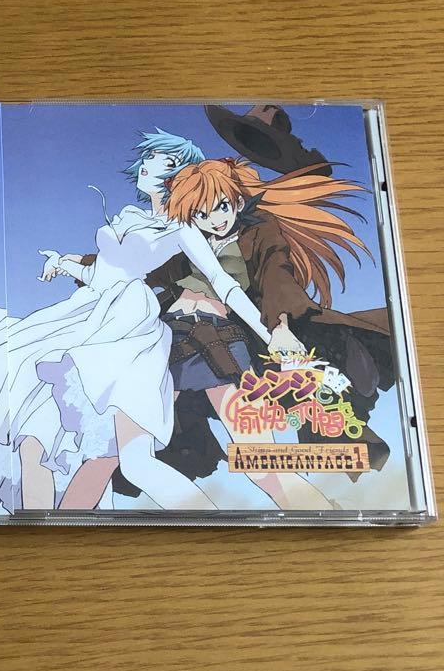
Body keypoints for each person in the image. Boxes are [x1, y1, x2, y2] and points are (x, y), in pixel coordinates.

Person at [0, 130, 278, 513]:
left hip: (126, 324)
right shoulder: (132, 216)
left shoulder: (181, 228)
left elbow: (222, 282)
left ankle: (211, 522)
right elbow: (100, 274)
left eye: (165, 161)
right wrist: (62, 264)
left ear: (178, 176)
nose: (149, 165)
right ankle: (41, 527)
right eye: (150, 157)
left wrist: (267, 333)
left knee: (121, 456)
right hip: (86, 312)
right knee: (37, 435)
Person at [101, 157, 393, 507]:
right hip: (168, 343)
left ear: (237, 201)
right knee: (125, 452)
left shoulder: (258, 233)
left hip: (219, 342)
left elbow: (276, 277)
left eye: (221, 207)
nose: (215, 219)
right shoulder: (186, 241)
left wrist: (279, 327)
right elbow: (136, 266)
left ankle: (320, 513)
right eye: (202, 214)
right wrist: (78, 263)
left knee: (258, 459)